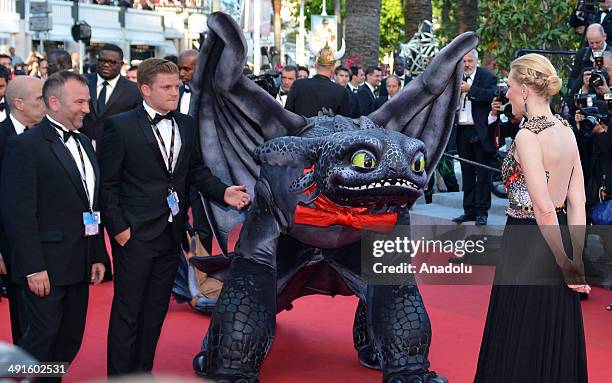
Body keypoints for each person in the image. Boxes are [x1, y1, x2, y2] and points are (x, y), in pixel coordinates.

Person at [100, 58, 250, 376]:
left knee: (155, 311)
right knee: (129, 311)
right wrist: (120, 230)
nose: (174, 92)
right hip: (135, 234)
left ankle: (143, 372)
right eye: (166, 87)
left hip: (171, 234)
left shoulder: (186, 124)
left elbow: (195, 171)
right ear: (145, 90)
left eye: (177, 87)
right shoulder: (120, 126)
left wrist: (223, 192)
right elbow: (108, 185)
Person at [474, 54, 589, 383]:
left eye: (509, 86)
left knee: (519, 328)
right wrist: (574, 258)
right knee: (551, 326)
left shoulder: (528, 136)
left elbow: (541, 208)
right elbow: (576, 200)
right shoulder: (567, 130)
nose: (506, 94)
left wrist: (563, 261)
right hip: (562, 235)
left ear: (525, 89)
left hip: (527, 241)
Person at [0, 71, 106, 372]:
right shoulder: (25, 146)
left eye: (88, 101)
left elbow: (91, 203)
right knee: (41, 339)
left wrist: (97, 253)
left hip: (80, 258)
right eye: (80, 101)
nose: (87, 108)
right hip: (44, 265)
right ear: (55, 103)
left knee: (69, 338)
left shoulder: (85, 142)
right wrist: (33, 266)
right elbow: (18, 213)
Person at [0, 76, 46, 344]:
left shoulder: (47, 135)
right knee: (23, 315)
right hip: (10, 242)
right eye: (40, 99)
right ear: (19, 103)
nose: (47, 104)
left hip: (48, 238)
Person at [452, 49, 497, 226]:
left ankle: (482, 211)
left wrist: (471, 90)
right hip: (461, 130)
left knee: (483, 173)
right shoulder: (456, 78)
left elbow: (491, 95)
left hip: (479, 131)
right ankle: (468, 210)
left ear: (476, 61)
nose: (467, 64)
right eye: (464, 61)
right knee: (467, 173)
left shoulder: (487, 77)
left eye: (470, 61)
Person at [81, 44, 141, 152]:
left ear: (121, 64)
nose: (106, 65)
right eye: (102, 61)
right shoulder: (82, 82)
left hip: (115, 149)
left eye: (112, 62)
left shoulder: (133, 90)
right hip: (83, 145)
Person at [285, 45, 350, 118]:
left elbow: (287, 114)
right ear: (333, 67)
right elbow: (345, 121)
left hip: (301, 129)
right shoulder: (341, 91)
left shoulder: (298, 84)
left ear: (316, 66)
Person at [178, 49, 198, 114]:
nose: (181, 74)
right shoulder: (177, 93)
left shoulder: (213, 95)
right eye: (179, 69)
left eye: (187, 69)